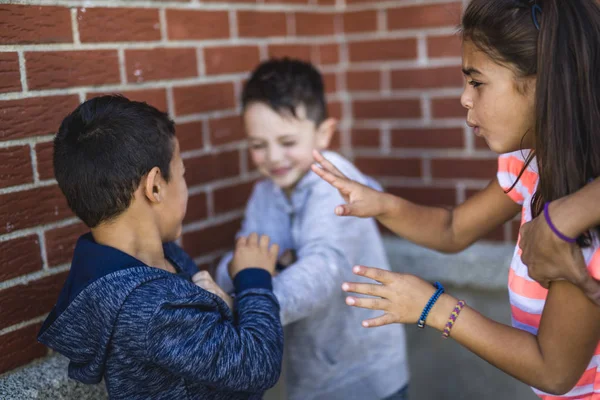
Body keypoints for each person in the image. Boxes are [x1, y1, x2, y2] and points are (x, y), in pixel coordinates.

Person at [313, 0, 600, 398]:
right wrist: (380, 204)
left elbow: (554, 371)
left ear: (543, 84)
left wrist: (432, 307)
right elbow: (453, 229)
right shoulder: (529, 168)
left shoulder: (585, 222)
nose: (464, 98)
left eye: (476, 81)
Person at [37, 95, 283, 400]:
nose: (185, 184)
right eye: (182, 175)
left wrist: (231, 305)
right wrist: (254, 279)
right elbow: (258, 365)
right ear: (155, 187)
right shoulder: (152, 308)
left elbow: (219, 341)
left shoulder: (166, 258)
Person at [209, 59, 410, 400]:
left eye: (287, 142)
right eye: (258, 145)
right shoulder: (266, 193)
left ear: (324, 133)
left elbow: (323, 271)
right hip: (310, 373)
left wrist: (244, 303)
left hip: (367, 374)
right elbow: (247, 257)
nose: (273, 157)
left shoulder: (335, 186)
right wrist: (233, 275)